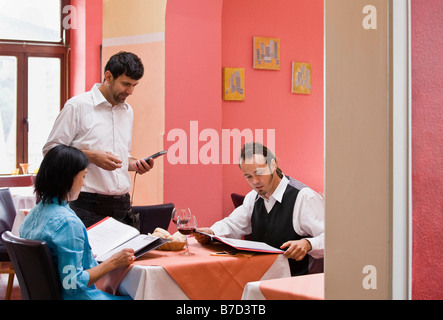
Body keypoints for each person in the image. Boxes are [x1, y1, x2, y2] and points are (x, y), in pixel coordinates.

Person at [43, 51, 152, 228]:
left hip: (124, 207)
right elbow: (51, 151)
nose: (130, 91)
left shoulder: (127, 111)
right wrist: (91, 157)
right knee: (95, 257)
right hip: (87, 206)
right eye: (126, 84)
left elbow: (120, 156)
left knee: (132, 256)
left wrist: (134, 164)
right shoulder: (77, 106)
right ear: (108, 76)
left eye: (134, 85)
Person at [20, 145, 135, 300]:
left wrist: (85, 257)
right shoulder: (68, 223)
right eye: (83, 176)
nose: (83, 183)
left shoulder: (33, 215)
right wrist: (113, 262)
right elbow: (72, 284)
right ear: (67, 179)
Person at [195, 142, 324, 276]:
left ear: (273, 165)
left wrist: (308, 243)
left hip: (295, 282)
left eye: (259, 173)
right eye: (249, 176)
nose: (255, 181)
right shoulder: (253, 197)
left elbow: (332, 239)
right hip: (259, 278)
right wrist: (211, 231)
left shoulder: (304, 196)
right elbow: (233, 224)